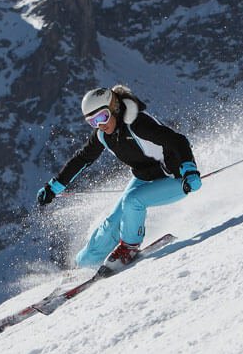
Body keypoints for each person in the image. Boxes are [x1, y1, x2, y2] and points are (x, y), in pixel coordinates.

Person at [35, 84, 202, 268]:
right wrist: (54, 187)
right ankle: (84, 263)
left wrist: (189, 169)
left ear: (114, 108)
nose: (100, 124)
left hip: (177, 178)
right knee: (110, 225)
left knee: (133, 201)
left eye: (102, 117)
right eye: (93, 121)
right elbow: (82, 159)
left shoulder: (137, 124)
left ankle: (129, 248)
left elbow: (177, 141)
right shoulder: (102, 135)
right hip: (145, 177)